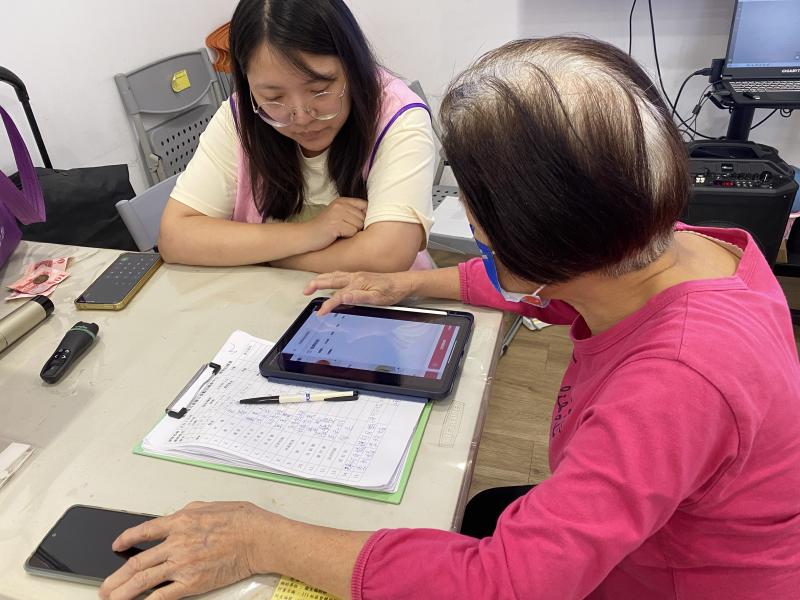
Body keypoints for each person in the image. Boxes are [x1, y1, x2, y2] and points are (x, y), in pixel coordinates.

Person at [100, 37, 800, 600]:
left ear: (536, 234)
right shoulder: (682, 246)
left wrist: (262, 538)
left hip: (677, 580)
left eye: (470, 201)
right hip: (661, 538)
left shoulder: (676, 381)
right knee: (479, 511)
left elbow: (512, 580)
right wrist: (407, 283)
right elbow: (544, 290)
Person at [156, 0, 435, 272]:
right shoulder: (238, 118)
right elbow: (175, 237)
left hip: (378, 309)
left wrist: (270, 258)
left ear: (352, 65)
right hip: (269, 305)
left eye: (319, 90)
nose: (301, 117)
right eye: (273, 97)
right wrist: (310, 233)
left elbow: (387, 255)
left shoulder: (397, 116)